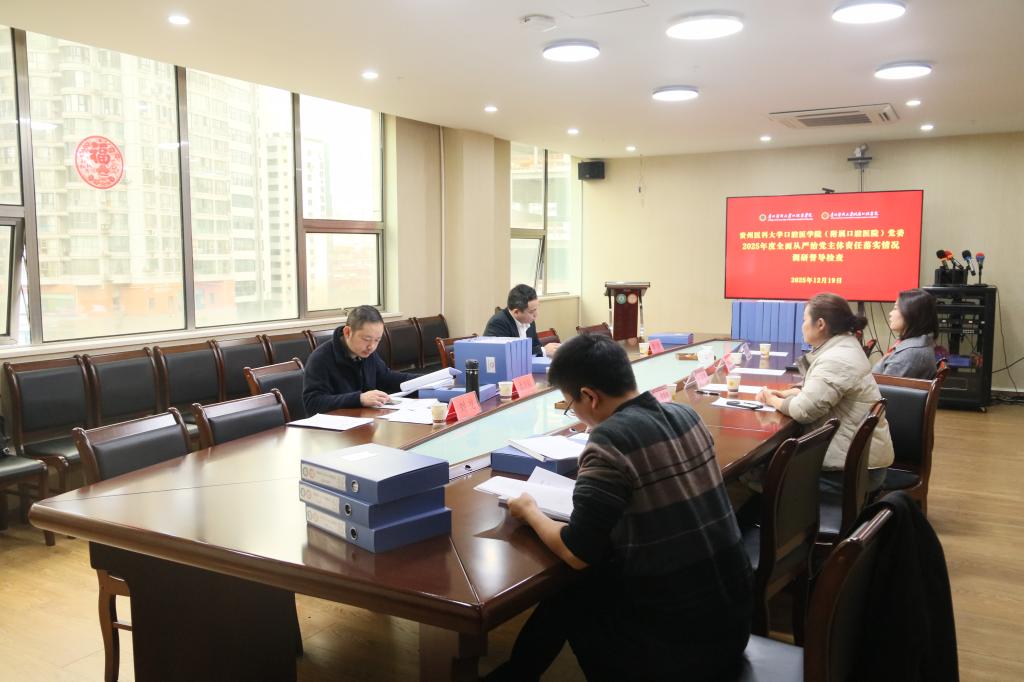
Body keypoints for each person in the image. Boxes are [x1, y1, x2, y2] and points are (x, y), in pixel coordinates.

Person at [486, 334, 752, 681]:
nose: (575, 414)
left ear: (590, 396)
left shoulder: (608, 442)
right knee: (591, 579)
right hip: (732, 622)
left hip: (677, 646)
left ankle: (517, 674)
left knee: (574, 585)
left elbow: (577, 552)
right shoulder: (687, 415)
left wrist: (529, 511)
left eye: (570, 404)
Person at [756, 293, 895, 492]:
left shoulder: (836, 359)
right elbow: (821, 392)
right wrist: (789, 394)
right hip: (858, 462)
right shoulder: (845, 345)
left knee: (757, 473)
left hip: (849, 473)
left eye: (804, 320)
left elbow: (803, 411)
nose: (802, 326)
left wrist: (771, 400)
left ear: (820, 324)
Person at [302, 305, 415, 415]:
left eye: (377, 340)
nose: (371, 346)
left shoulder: (367, 353)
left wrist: (421, 381)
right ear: (347, 332)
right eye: (366, 339)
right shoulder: (320, 359)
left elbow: (386, 378)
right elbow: (312, 403)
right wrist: (359, 399)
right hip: (335, 425)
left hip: (364, 419)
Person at [873, 288, 938, 379]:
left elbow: (882, 386)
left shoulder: (909, 354)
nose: (890, 313)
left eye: (895, 308)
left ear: (912, 314)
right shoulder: (917, 345)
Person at [484, 284, 560, 357]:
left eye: (536, 309)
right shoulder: (498, 323)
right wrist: (543, 351)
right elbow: (506, 354)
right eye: (531, 311)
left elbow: (535, 346)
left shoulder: (529, 321)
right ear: (516, 312)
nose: (536, 314)